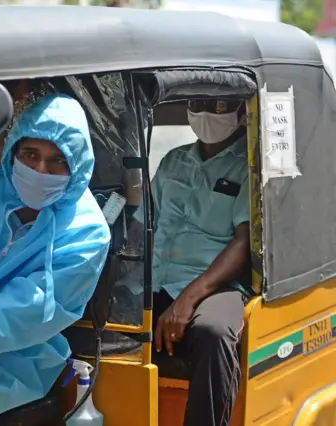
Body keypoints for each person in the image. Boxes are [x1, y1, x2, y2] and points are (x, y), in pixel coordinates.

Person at [0, 94, 110, 425]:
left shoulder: (88, 233)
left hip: (20, 355)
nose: (39, 170)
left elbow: (30, 313)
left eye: (57, 161)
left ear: (76, 167)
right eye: (30, 155)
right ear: (12, 152)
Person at [130, 98, 250, 426]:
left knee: (214, 332)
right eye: (199, 103)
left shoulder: (249, 165)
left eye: (222, 104)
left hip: (215, 284)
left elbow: (243, 243)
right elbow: (142, 225)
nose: (209, 112)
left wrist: (188, 299)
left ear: (242, 111)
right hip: (154, 277)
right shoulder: (173, 161)